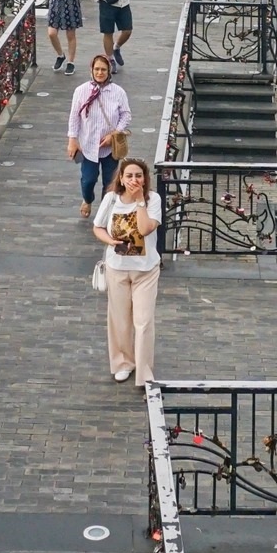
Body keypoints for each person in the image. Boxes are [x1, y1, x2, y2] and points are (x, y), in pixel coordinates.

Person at [92, 157, 161, 385]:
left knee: (143, 322)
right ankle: (123, 363)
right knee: (120, 320)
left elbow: (145, 229)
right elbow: (98, 227)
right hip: (117, 269)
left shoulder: (153, 199)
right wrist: (111, 242)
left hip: (145, 270)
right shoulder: (111, 199)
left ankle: (144, 372)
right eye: (129, 175)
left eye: (138, 176)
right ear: (121, 177)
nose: (133, 180)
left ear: (145, 178)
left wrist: (140, 201)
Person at [66, 54, 130, 219]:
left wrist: (115, 133)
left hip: (110, 147)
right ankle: (87, 199)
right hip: (88, 146)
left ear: (109, 71)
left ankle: (104, 213)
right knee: (88, 180)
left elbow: (126, 115)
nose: (100, 73)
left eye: (103, 69)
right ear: (91, 70)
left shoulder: (118, 92)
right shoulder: (81, 91)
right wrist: (72, 140)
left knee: (110, 183)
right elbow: (74, 117)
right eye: (97, 69)